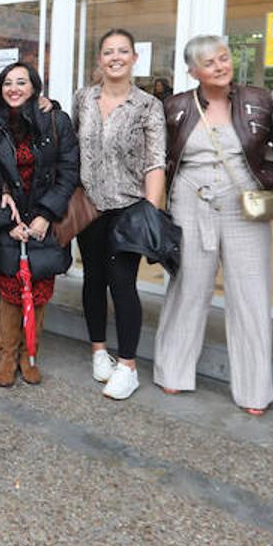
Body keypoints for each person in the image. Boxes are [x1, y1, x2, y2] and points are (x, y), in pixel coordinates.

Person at [153, 36, 273, 415]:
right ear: (192, 71)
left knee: (250, 292)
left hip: (244, 204)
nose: (220, 66)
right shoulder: (177, 106)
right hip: (190, 202)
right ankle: (174, 370)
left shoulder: (260, 100)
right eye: (209, 62)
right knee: (188, 289)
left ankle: (254, 390)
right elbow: (162, 156)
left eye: (223, 58)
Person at [73, 28, 166, 401]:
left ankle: (128, 365)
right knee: (93, 279)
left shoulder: (147, 106)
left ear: (133, 58)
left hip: (129, 209)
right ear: (99, 59)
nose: (115, 57)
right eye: (108, 51)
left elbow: (155, 162)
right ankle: (99, 351)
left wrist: (151, 214)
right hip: (89, 208)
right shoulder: (83, 98)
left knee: (123, 284)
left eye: (122, 51)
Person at [0, 63, 80, 386]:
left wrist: (46, 215)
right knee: (9, 292)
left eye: (21, 82)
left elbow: (69, 171)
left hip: (43, 220)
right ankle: (6, 356)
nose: (14, 88)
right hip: (11, 220)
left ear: (34, 87)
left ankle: (29, 355)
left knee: (38, 291)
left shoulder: (55, 120)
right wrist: (5, 221)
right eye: (8, 82)